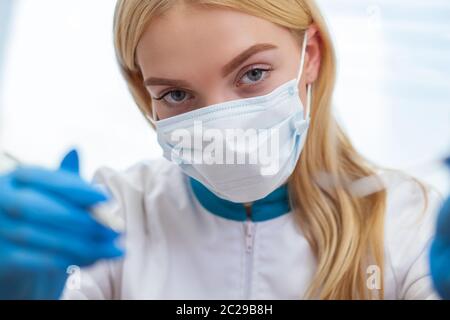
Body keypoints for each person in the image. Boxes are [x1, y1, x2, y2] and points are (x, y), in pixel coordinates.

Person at [0, 0, 447, 299]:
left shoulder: (407, 224)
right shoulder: (111, 221)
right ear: (146, 93)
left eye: (252, 74)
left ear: (309, 55)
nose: (222, 127)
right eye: (176, 94)